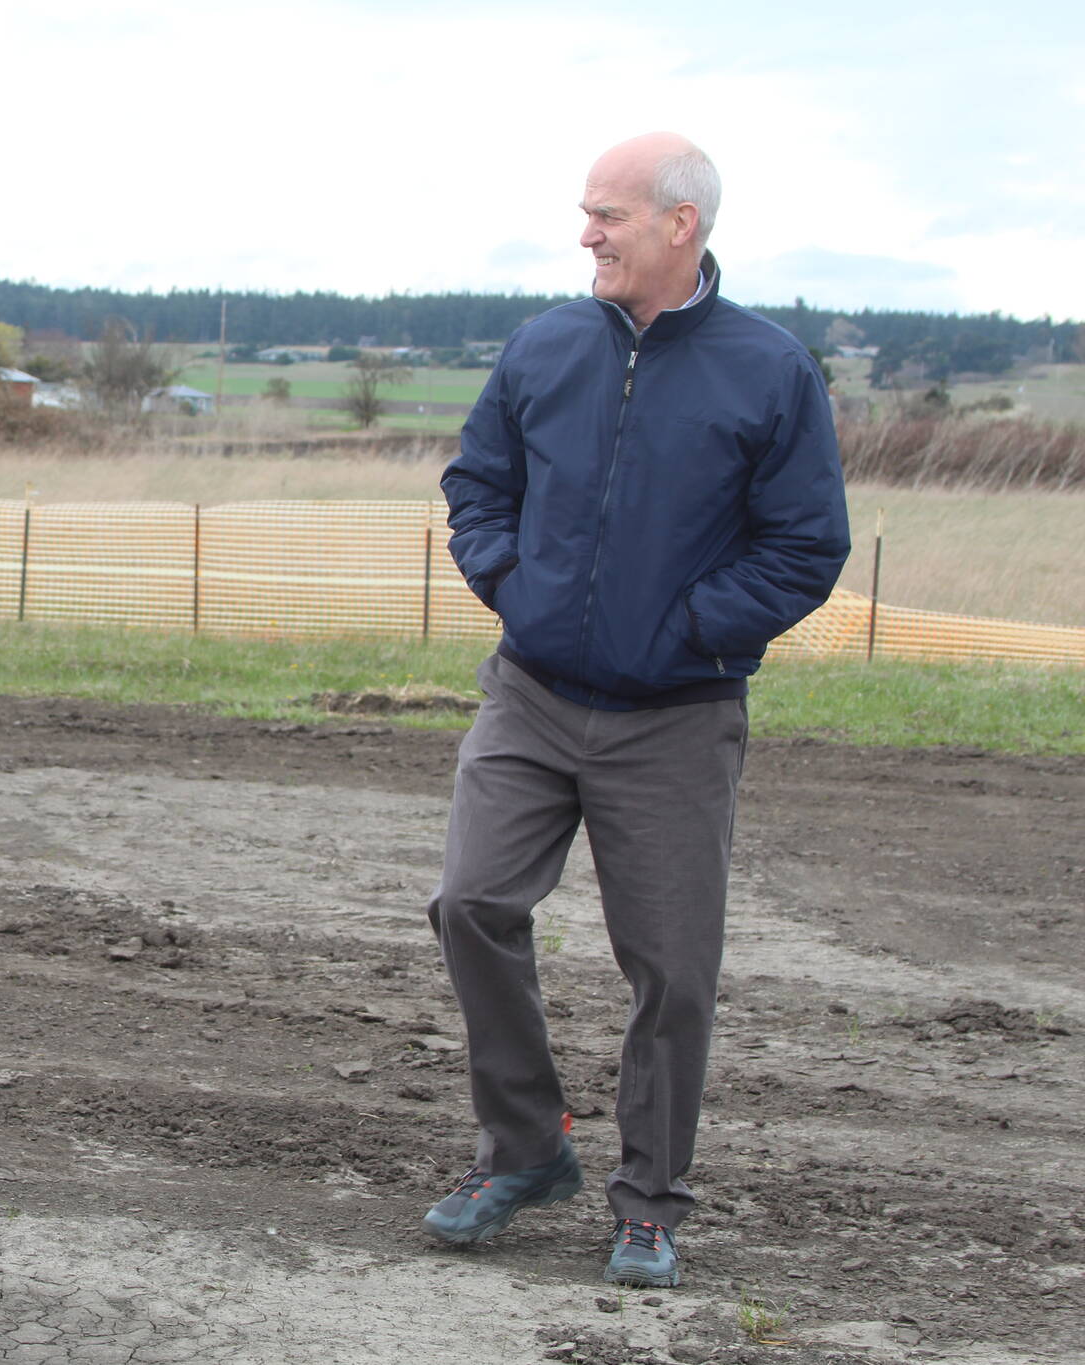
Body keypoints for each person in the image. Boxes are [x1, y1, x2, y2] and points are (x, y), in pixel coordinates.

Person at [421, 132, 849, 1288]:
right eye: (583, 213)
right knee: (468, 902)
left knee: (668, 967)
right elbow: (478, 485)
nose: (585, 235)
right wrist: (514, 586)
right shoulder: (544, 345)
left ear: (679, 225)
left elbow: (804, 543)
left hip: (675, 716)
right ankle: (523, 1149)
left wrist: (690, 630)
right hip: (531, 693)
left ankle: (648, 1201)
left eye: (606, 215)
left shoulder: (768, 371)